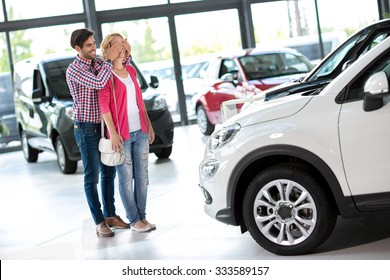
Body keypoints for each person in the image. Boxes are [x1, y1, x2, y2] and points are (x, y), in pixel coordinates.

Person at [66, 28, 131, 237]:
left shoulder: (99, 63)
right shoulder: (74, 70)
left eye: (94, 43)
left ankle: (110, 214)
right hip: (85, 128)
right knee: (91, 176)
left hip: (103, 125)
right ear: (78, 48)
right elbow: (99, 82)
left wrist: (125, 54)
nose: (93, 48)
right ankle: (99, 220)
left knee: (109, 171)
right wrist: (108, 61)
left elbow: (122, 68)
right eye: (88, 45)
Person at [98, 33, 156, 232]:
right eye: (115, 44)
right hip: (122, 135)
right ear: (107, 50)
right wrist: (113, 134)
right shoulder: (106, 76)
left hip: (140, 130)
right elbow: (104, 107)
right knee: (126, 179)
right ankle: (133, 219)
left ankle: (142, 216)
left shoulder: (131, 70)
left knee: (143, 176)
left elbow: (140, 100)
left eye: (122, 43)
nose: (120, 47)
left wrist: (149, 125)